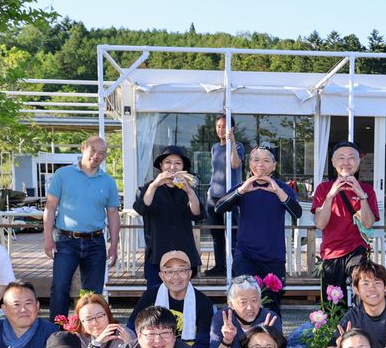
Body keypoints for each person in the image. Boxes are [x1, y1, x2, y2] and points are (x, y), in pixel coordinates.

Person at [41, 135, 121, 321]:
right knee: (60, 286)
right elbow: (50, 207)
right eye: (93, 150)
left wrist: (114, 245)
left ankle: (88, 332)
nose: (96, 156)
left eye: (101, 153)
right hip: (66, 241)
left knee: (93, 294)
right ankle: (58, 332)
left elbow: (113, 214)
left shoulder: (108, 181)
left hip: (95, 242)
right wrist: (47, 238)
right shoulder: (63, 175)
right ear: (83, 148)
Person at [213, 144, 300, 306]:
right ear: (250, 164)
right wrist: (242, 191)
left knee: (271, 305)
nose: (261, 164)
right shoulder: (243, 187)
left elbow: (298, 213)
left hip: (273, 257)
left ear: (274, 166)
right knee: (243, 304)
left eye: (266, 160)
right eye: (256, 159)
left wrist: (277, 192)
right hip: (246, 256)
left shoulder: (282, 188)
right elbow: (219, 208)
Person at [311, 141, 380, 298]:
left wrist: (362, 196)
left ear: (358, 162)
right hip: (331, 253)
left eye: (351, 158)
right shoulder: (323, 188)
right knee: (333, 306)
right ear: (333, 162)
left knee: (362, 289)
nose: (346, 163)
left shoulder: (367, 190)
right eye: (341, 158)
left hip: (357, 250)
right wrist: (330, 196)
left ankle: (360, 320)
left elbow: (368, 223)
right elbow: (320, 223)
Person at [127, 251, 215, 348]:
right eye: (169, 271)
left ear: (190, 273)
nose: (176, 276)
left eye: (182, 270)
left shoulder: (203, 302)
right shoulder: (151, 295)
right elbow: (131, 328)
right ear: (161, 276)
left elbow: (203, 344)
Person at [133, 145, 203, 284]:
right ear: (161, 165)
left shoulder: (188, 188)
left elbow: (197, 214)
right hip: (157, 252)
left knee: (182, 298)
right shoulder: (149, 187)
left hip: (184, 253)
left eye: (178, 163)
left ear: (183, 167)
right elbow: (142, 208)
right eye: (168, 162)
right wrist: (155, 185)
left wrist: (189, 191)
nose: (172, 167)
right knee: (156, 298)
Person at [203, 116, 245, 277]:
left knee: (233, 233)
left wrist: (232, 142)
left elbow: (235, 164)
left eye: (224, 127)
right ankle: (220, 265)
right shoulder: (214, 147)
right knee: (216, 233)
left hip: (231, 196)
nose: (221, 129)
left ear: (232, 129)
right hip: (213, 196)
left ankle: (235, 267)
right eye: (218, 126)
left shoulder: (238, 146)